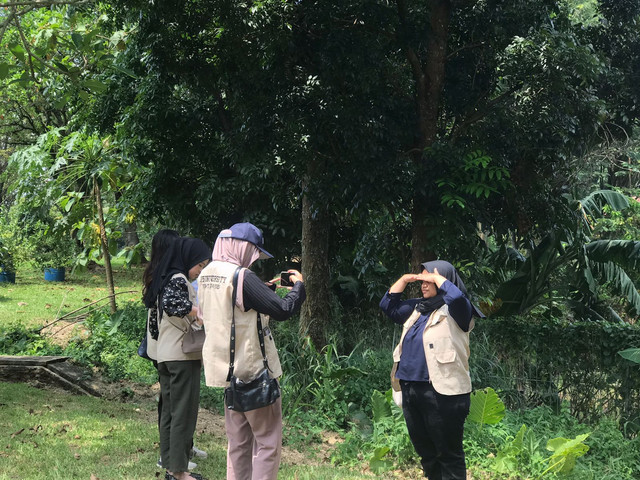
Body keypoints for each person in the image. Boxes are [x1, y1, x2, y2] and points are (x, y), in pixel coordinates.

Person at [197, 222, 306, 480]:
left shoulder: (206, 274)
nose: (253, 260)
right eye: (253, 253)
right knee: (267, 443)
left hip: (226, 373)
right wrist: (299, 286)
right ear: (243, 248)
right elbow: (281, 310)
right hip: (254, 371)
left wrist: (261, 290)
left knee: (238, 444)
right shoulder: (241, 276)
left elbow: (223, 310)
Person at [379, 260, 484, 480]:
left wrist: (437, 278)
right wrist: (406, 279)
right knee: (426, 453)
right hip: (411, 388)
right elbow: (388, 306)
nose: (423, 285)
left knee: (448, 453)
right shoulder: (418, 308)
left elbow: (455, 297)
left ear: (443, 280)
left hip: (443, 393)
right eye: (422, 280)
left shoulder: (458, 310)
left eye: (429, 280)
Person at [143, 237, 212, 480]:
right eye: (200, 265)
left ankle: (172, 467)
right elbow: (175, 305)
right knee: (183, 413)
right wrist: (200, 312)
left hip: (166, 354)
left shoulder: (163, 278)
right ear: (189, 260)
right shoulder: (178, 279)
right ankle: (179, 472)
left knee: (170, 412)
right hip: (182, 356)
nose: (199, 271)